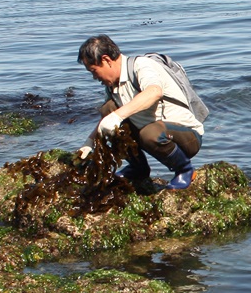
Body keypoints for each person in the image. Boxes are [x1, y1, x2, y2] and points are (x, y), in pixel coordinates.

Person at [76, 35, 203, 192]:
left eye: (94, 71)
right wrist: (89, 143)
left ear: (107, 60)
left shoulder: (141, 66)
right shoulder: (112, 86)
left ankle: (185, 170)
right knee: (108, 108)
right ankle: (138, 169)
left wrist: (118, 116)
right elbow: (107, 119)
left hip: (186, 136)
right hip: (151, 132)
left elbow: (154, 92)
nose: (94, 77)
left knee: (149, 133)